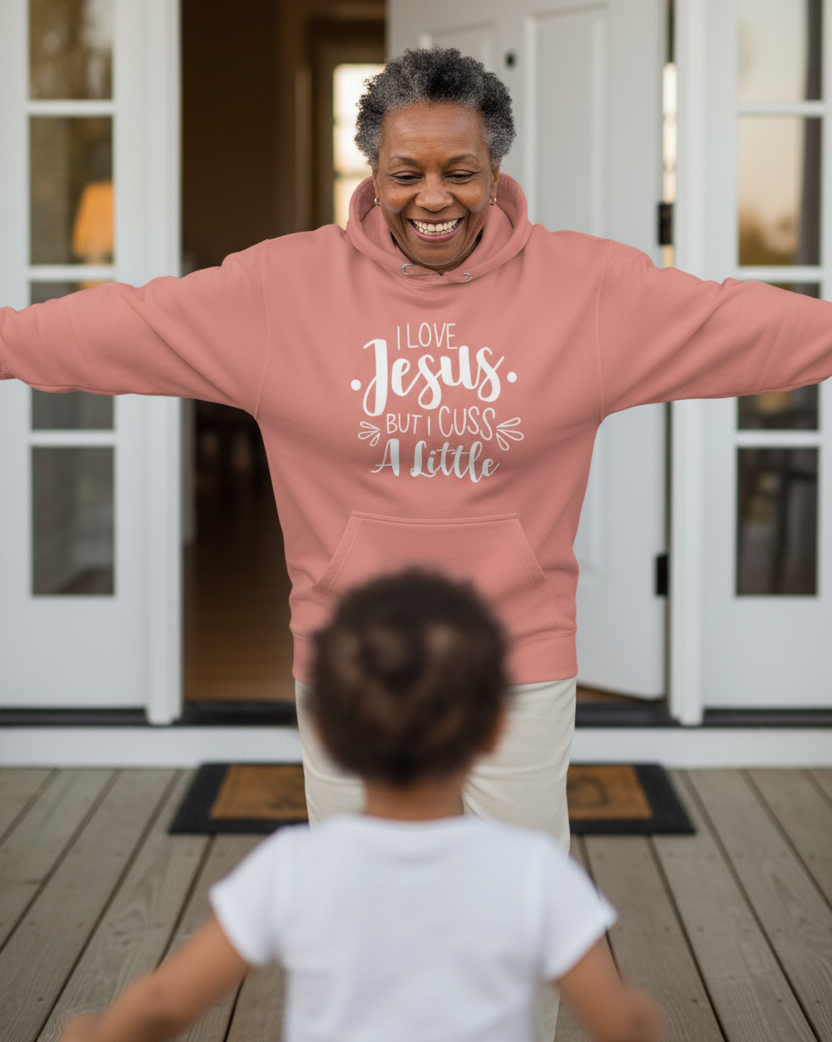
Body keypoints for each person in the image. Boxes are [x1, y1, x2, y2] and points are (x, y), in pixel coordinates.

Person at [2, 42, 832, 985]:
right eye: (406, 173)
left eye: (459, 171)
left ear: (496, 170)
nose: (433, 198)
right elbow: (127, 326)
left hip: (512, 664)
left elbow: (742, 325)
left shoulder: (591, 292)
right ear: (372, 171)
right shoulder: (280, 291)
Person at [57, 570, 664, 1042]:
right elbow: (623, 1024)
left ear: (326, 731)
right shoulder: (533, 873)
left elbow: (162, 1004)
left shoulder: (292, 868)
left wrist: (94, 1034)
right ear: (493, 730)